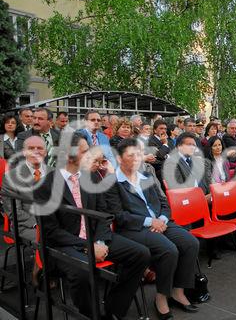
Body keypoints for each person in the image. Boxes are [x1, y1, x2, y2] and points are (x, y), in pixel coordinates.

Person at [35, 133, 150, 319]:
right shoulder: (45, 186)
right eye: (85, 151)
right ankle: (91, 315)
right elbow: (51, 232)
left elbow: (104, 215)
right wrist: (88, 247)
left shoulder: (92, 179)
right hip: (64, 246)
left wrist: (100, 241)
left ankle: (113, 309)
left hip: (95, 239)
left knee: (141, 254)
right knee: (82, 271)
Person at [105, 138, 200, 318]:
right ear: (119, 159)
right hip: (135, 228)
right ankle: (161, 297)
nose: (136, 159)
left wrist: (162, 219)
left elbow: (164, 202)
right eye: (131, 155)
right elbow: (119, 216)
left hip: (161, 222)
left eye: (139, 155)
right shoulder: (112, 183)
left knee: (190, 243)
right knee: (168, 250)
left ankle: (177, 292)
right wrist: (150, 222)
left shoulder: (147, 177)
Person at [1, 136, 48, 242]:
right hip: (28, 225)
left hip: (56, 224)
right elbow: (13, 211)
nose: (35, 152)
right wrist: (38, 224)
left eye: (39, 148)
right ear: (24, 152)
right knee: (52, 241)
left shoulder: (54, 172)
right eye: (31, 148)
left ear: (45, 152)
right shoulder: (11, 177)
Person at [163, 132, 210, 198]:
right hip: (189, 200)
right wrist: (201, 199)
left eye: (194, 145)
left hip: (205, 197)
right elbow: (179, 189)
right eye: (189, 145)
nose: (192, 147)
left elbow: (208, 181)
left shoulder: (197, 161)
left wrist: (211, 194)